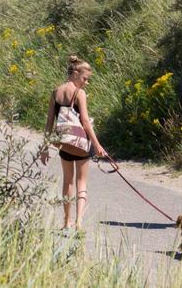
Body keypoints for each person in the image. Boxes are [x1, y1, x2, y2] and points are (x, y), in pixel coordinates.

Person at [41, 55, 107, 231]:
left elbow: (49, 122)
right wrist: (97, 145)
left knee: (67, 182)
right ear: (76, 74)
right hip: (80, 144)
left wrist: (44, 147)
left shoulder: (56, 92)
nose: (86, 83)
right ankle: (78, 221)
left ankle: (66, 221)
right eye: (85, 79)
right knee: (81, 182)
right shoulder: (79, 93)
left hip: (63, 143)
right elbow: (85, 121)